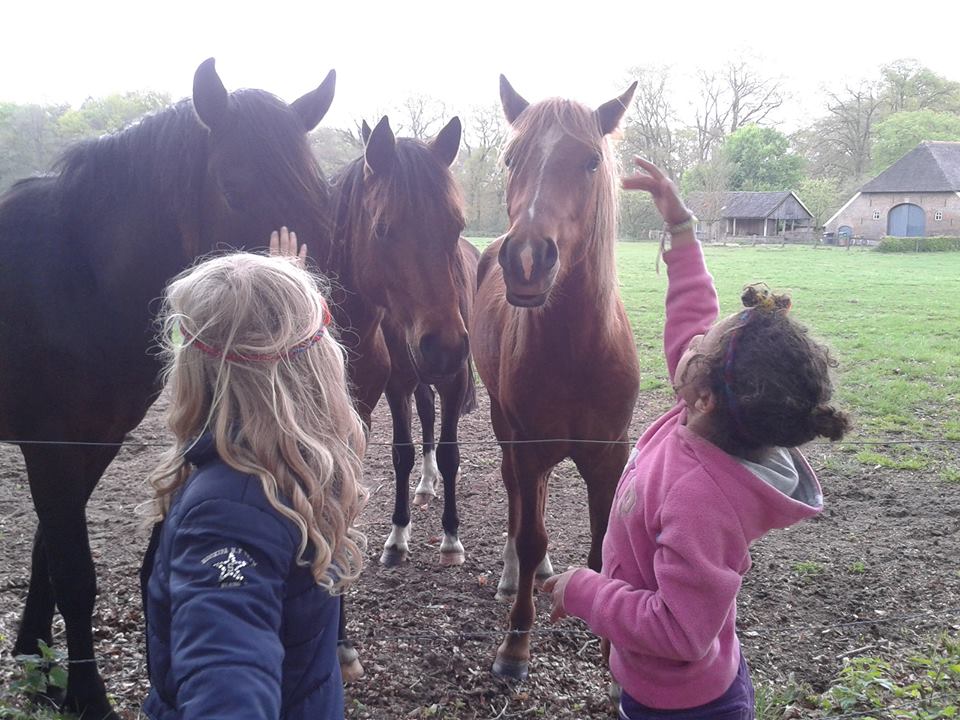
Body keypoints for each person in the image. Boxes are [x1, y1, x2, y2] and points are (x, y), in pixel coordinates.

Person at [543, 159, 851, 719]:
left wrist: (585, 591)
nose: (695, 336)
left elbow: (679, 631)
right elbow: (694, 314)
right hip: (659, 685)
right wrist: (681, 229)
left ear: (704, 394)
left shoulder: (701, 498)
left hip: (683, 705)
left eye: (703, 344)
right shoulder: (712, 417)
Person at [140, 228, 367, 720]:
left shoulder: (227, 512)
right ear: (317, 367)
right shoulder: (296, 469)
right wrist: (284, 302)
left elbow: (228, 683)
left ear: (195, 368)